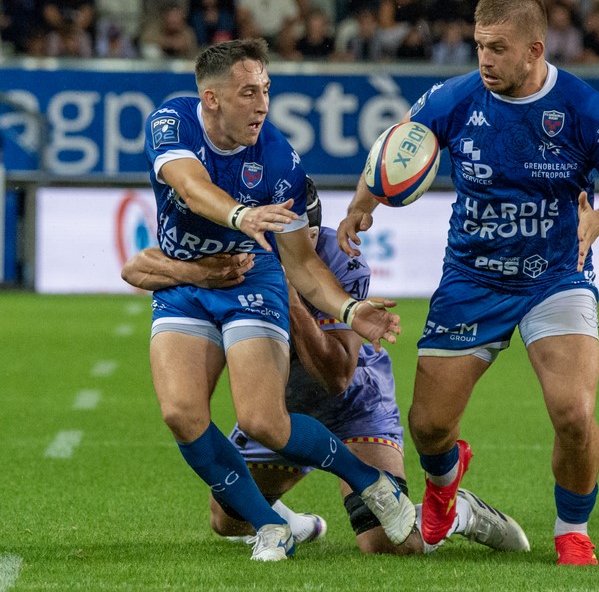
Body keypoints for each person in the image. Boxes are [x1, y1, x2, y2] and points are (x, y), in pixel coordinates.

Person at [337, 0, 599, 565]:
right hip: (472, 278)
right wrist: (363, 203)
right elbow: (398, 149)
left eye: (498, 48)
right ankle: (445, 481)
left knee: (574, 412)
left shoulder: (585, 109)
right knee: (429, 428)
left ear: (535, 50)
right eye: (479, 45)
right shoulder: (453, 99)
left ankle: (572, 530)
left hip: (555, 277)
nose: (484, 59)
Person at [122, 178, 529, 555]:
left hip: (354, 405)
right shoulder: (235, 249)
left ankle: (459, 512)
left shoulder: (343, 262)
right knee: (228, 518)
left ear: (311, 235)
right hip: (282, 405)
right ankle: (294, 526)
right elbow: (135, 268)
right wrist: (193, 274)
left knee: (388, 543)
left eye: (298, 236)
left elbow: (337, 378)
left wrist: (289, 297)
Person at [139, 37, 414, 562]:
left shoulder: (278, 159)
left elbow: (305, 266)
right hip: (190, 286)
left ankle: (367, 482)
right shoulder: (171, 122)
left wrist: (352, 311)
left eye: (266, 89)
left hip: (251, 281)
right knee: (180, 412)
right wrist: (243, 216)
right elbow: (190, 185)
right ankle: (272, 527)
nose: (262, 104)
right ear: (212, 99)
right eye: (248, 92)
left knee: (264, 420)